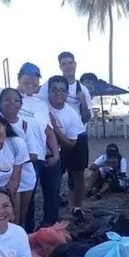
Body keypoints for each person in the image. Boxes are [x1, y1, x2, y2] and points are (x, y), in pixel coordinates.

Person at [0, 63, 61, 231]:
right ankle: (11, 231)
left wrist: (55, 154)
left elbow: (48, 131)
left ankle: (27, 233)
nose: (33, 81)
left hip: (36, 158)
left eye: (36, 78)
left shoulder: (41, 104)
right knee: (12, 197)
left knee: (30, 197)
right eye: (29, 76)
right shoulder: (0, 96)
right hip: (10, 159)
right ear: (19, 77)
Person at [39, 52, 92, 200]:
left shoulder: (82, 88)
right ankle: (56, 198)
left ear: (75, 64)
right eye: (64, 63)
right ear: (60, 66)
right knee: (56, 170)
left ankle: (76, 206)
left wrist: (83, 101)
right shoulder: (51, 83)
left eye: (70, 63)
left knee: (78, 173)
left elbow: (87, 117)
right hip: (55, 133)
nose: (68, 66)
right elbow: (37, 101)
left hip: (77, 133)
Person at [0, 87, 41, 228]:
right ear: (0, 102)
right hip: (5, 175)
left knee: (23, 216)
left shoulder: (24, 125)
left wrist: (15, 156)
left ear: (21, 105)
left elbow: (34, 154)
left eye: (16, 100)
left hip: (26, 175)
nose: (12, 103)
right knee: (11, 215)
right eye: (7, 99)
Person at [46, 75, 87, 222]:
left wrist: (55, 128)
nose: (59, 94)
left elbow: (70, 145)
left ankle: (77, 207)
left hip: (75, 138)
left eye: (63, 91)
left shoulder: (72, 115)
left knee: (78, 173)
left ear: (67, 93)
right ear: (48, 91)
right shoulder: (40, 103)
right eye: (55, 90)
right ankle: (53, 209)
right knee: (55, 175)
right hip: (52, 142)